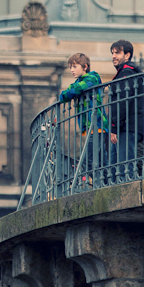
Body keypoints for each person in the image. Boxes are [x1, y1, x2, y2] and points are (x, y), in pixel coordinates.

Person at [59, 53, 109, 187]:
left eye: (75, 66)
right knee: (100, 157)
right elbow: (65, 95)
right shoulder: (79, 81)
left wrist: (69, 91)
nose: (72, 70)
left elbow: (74, 90)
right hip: (91, 126)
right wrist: (69, 91)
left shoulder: (92, 77)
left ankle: (103, 182)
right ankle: (107, 181)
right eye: (70, 67)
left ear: (85, 66)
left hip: (96, 124)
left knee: (89, 159)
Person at [109, 40, 144, 182]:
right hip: (125, 126)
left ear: (127, 55)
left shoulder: (126, 72)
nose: (113, 56)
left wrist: (114, 127)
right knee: (117, 168)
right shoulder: (125, 72)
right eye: (112, 53)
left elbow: (122, 103)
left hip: (126, 126)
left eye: (117, 53)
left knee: (124, 168)